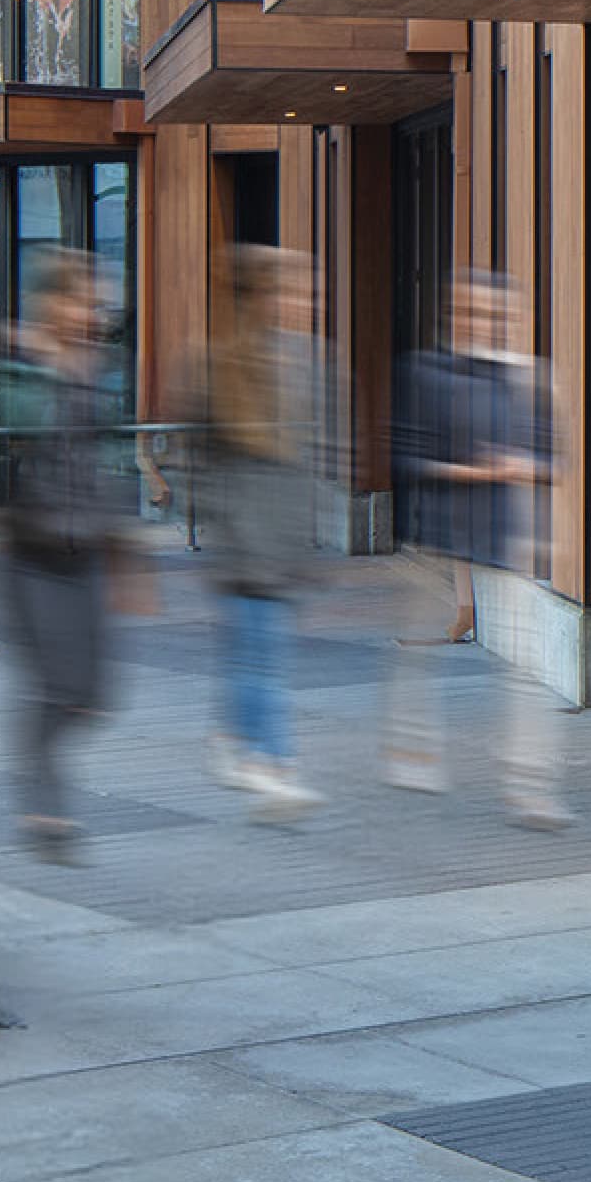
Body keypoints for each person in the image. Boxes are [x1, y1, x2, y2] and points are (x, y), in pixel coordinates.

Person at [389, 269, 565, 828]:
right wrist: (467, 470)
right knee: (417, 659)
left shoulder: (531, 380)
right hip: (437, 540)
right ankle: (412, 752)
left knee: (525, 672)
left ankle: (530, 786)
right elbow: (405, 457)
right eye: (477, 313)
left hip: (504, 540)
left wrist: (521, 468)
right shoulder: (425, 373)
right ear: (456, 316)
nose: (488, 323)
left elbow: (554, 460)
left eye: (498, 314)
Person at [0, 249, 133, 861]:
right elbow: (21, 428)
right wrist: (47, 365)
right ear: (52, 302)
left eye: (96, 301)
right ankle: (46, 807)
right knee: (51, 686)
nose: (92, 312)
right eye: (81, 300)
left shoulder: (101, 366)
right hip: (29, 551)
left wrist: (128, 548)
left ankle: (43, 781)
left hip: (88, 547)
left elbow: (107, 453)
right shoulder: (18, 364)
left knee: (94, 694)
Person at [188, 246, 338, 822]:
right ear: (261, 296)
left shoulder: (312, 361)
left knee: (252, 656)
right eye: (295, 290)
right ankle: (276, 765)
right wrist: (235, 532)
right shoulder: (220, 364)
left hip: (283, 538)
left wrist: (309, 536)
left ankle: (232, 740)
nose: (304, 301)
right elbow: (200, 460)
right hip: (246, 543)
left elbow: (318, 458)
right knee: (264, 655)